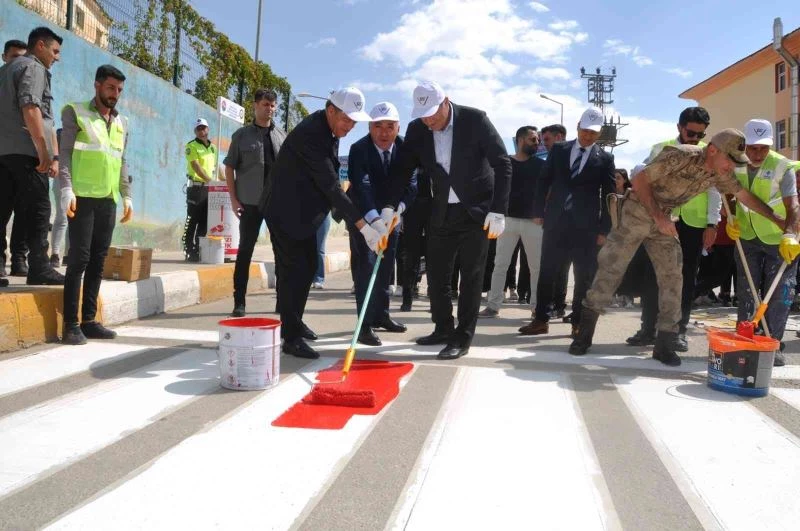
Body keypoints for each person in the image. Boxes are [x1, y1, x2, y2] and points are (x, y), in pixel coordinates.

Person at [571, 129, 795, 366]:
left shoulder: (719, 173)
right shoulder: (681, 154)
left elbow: (744, 196)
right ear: (712, 150)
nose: (732, 166)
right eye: (730, 160)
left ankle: (665, 345)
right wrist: (658, 217)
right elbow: (639, 179)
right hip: (636, 213)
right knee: (610, 271)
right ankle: (583, 337)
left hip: (664, 220)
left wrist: (779, 221)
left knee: (673, 278)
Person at [384, 81, 512, 360]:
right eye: (423, 115)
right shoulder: (418, 128)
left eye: (434, 113)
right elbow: (402, 171)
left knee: (471, 277)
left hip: (477, 212)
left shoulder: (475, 120)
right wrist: (391, 207)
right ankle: (443, 328)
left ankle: (462, 337)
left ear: (446, 102)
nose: (429, 120)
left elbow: (503, 163)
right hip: (441, 211)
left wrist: (498, 210)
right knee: (438, 276)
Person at [260, 87, 388, 359]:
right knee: (293, 270)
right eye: (346, 119)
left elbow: (329, 182)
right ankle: (290, 338)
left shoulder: (329, 128)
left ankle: (293, 322)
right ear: (331, 110)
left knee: (306, 268)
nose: (350, 126)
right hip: (285, 211)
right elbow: (330, 184)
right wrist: (363, 227)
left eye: (354, 121)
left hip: (305, 213)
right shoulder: (312, 135)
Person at [626, 107, 720, 351]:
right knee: (653, 276)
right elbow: (643, 180)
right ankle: (648, 329)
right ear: (679, 127)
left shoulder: (710, 152)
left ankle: (678, 331)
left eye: (701, 135)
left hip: (693, 226)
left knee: (686, 279)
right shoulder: (661, 148)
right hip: (660, 222)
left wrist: (712, 223)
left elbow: (714, 190)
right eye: (691, 133)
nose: (695, 139)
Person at [519, 108, 616, 337]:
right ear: (577, 126)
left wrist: (605, 229)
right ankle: (540, 320)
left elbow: (609, 196)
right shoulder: (560, 150)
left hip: (587, 228)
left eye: (593, 132)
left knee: (583, 276)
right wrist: (538, 210)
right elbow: (544, 181)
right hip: (556, 222)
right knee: (547, 272)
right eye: (585, 130)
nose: (588, 136)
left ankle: (578, 322)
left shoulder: (605, 159)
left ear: (599, 133)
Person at [59, 64, 133, 344]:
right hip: (82, 198)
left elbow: (121, 159)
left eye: (119, 90)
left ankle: (89, 320)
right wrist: (66, 189)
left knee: (98, 261)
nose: (115, 94)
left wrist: (127, 195)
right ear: (97, 85)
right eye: (111, 88)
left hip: (107, 200)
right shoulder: (75, 112)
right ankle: (70, 323)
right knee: (79, 258)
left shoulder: (122, 123)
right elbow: (64, 154)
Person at [727, 120, 800, 366]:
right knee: (747, 292)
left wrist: (790, 234)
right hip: (746, 237)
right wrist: (731, 219)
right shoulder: (735, 163)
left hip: (778, 238)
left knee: (779, 293)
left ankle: (772, 342)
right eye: (752, 147)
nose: (758, 153)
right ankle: (744, 339)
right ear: (744, 145)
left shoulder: (782, 165)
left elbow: (793, 205)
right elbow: (729, 194)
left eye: (763, 148)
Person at [346, 101, 417, 346]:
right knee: (365, 269)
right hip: (364, 219)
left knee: (386, 267)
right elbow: (362, 185)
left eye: (390, 126)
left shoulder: (406, 147)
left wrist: (397, 210)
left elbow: (412, 183)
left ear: (398, 127)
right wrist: (375, 219)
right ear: (369, 127)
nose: (384, 132)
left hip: (393, 217)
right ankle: (364, 326)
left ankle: (382, 316)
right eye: (378, 126)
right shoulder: (358, 149)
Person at [0, 27, 65, 285]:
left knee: (2, 210)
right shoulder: (34, 68)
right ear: (40, 45)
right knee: (39, 208)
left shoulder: (6, 70)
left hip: (3, 153)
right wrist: (44, 152)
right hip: (26, 152)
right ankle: (39, 267)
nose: (57, 57)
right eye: (55, 50)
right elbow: (31, 108)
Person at [224, 88, 286, 317]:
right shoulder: (241, 136)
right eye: (264, 104)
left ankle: (283, 301)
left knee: (282, 253)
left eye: (272, 105)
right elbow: (229, 167)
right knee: (245, 251)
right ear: (255, 106)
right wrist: (233, 199)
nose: (268, 108)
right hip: (249, 202)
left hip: (277, 203)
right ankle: (239, 302)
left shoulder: (281, 136)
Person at [479, 125, 544, 318]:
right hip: (506, 221)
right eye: (533, 139)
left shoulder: (541, 166)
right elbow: (492, 189)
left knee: (536, 267)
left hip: (533, 222)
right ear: (520, 140)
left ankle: (536, 308)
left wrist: (542, 214)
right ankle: (493, 306)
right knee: (500, 264)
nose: (537, 143)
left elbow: (547, 193)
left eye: (538, 140)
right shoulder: (505, 163)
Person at [0, 39, 29, 278]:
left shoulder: (28, 80)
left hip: (22, 153)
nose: (19, 62)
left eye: (23, 57)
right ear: (4, 57)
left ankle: (20, 258)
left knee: (24, 209)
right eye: (14, 57)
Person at [539, 123, 570, 318]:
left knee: (564, 266)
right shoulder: (550, 158)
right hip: (552, 219)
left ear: (559, 137)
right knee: (550, 265)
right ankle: (548, 306)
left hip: (573, 220)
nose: (544, 145)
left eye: (547, 140)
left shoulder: (576, 156)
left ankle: (559, 304)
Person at [183, 118, 218, 262]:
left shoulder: (213, 148)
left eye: (204, 128)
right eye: (199, 129)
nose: (202, 131)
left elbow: (216, 168)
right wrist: (209, 180)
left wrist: (225, 182)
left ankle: (198, 249)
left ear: (208, 129)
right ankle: (189, 249)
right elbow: (196, 166)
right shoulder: (191, 146)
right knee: (192, 220)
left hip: (209, 189)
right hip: (196, 188)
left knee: (205, 221)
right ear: (195, 132)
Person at [398, 166, 432, 311]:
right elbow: (401, 187)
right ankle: (407, 299)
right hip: (411, 209)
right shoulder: (410, 157)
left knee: (434, 257)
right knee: (411, 257)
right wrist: (400, 214)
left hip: (434, 208)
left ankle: (435, 300)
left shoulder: (437, 154)